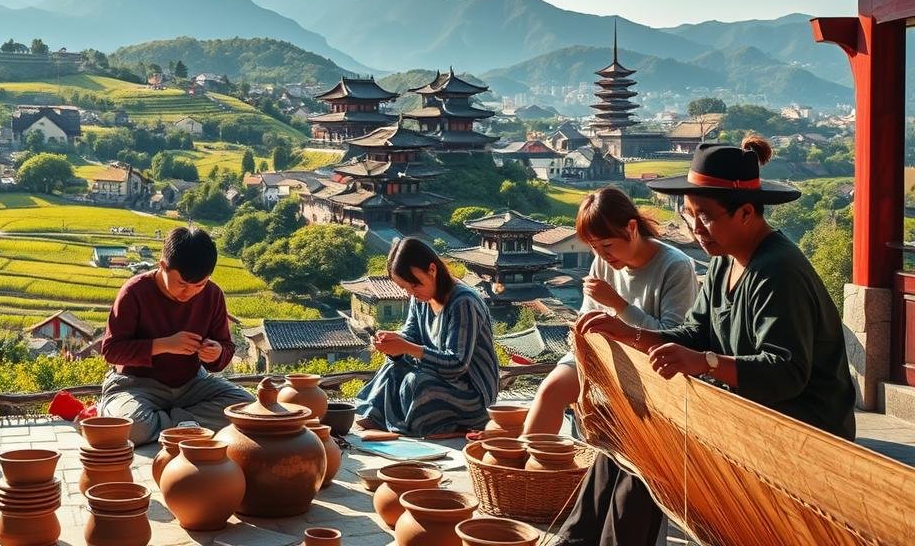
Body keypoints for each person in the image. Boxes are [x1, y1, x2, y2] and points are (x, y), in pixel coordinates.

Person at [553, 138, 856, 546]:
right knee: (626, 434)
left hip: (796, 430)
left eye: (706, 217)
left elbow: (786, 373)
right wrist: (631, 333)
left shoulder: (777, 272)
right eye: (689, 215)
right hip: (740, 410)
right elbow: (694, 332)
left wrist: (706, 363)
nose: (695, 229)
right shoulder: (723, 262)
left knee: (651, 454)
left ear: (746, 212)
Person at [520, 187, 697, 437]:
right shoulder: (602, 262)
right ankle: (528, 469)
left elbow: (673, 338)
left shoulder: (675, 266)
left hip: (650, 368)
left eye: (607, 245)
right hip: (603, 355)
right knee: (551, 389)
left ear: (632, 228)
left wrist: (618, 305)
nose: (602, 255)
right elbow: (587, 316)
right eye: (593, 247)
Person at [100, 226, 252, 445]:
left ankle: (173, 424)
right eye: (182, 283)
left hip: (191, 384)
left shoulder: (212, 294)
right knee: (133, 427)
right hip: (137, 385)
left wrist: (217, 353)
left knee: (246, 406)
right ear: (162, 266)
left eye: (199, 285)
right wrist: (163, 345)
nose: (189, 292)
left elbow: (226, 348)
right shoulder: (134, 292)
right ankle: (188, 425)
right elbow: (111, 351)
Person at [354, 237, 500, 437]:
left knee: (416, 383)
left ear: (432, 270)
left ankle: (444, 426)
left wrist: (406, 347)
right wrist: (392, 342)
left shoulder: (463, 302)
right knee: (393, 367)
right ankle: (375, 417)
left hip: (471, 392)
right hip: (436, 376)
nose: (412, 293)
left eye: (415, 285)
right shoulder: (420, 298)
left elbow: (457, 364)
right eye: (405, 288)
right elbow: (411, 336)